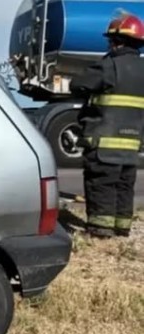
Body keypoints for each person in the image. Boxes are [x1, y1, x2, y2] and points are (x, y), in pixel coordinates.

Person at [70, 11, 144, 238]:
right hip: (131, 144)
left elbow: (77, 85)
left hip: (104, 141)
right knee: (124, 186)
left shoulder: (109, 66)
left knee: (101, 183)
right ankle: (122, 228)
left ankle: (101, 230)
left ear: (116, 41)